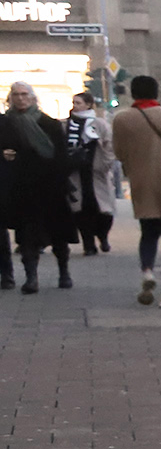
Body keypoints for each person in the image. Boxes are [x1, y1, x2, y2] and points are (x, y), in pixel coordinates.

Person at [112, 75, 161, 308]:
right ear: (156, 92)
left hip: (141, 180)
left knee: (148, 232)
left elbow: (118, 152)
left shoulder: (122, 119)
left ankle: (147, 271)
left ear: (133, 93)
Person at [0, 80, 74, 293]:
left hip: (50, 187)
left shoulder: (48, 124)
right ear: (10, 98)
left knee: (58, 233)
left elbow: (60, 156)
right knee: (26, 237)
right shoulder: (6, 124)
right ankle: (31, 278)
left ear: (33, 98)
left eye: (24, 94)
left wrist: (61, 182)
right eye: (16, 95)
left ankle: (64, 272)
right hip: (22, 189)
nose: (20, 98)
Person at [65, 90, 115, 254]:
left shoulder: (99, 124)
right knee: (81, 210)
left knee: (104, 211)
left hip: (96, 173)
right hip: (76, 174)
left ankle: (103, 236)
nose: (75, 107)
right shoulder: (67, 124)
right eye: (73, 103)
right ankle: (89, 245)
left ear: (88, 104)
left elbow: (109, 146)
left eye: (78, 103)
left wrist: (105, 164)